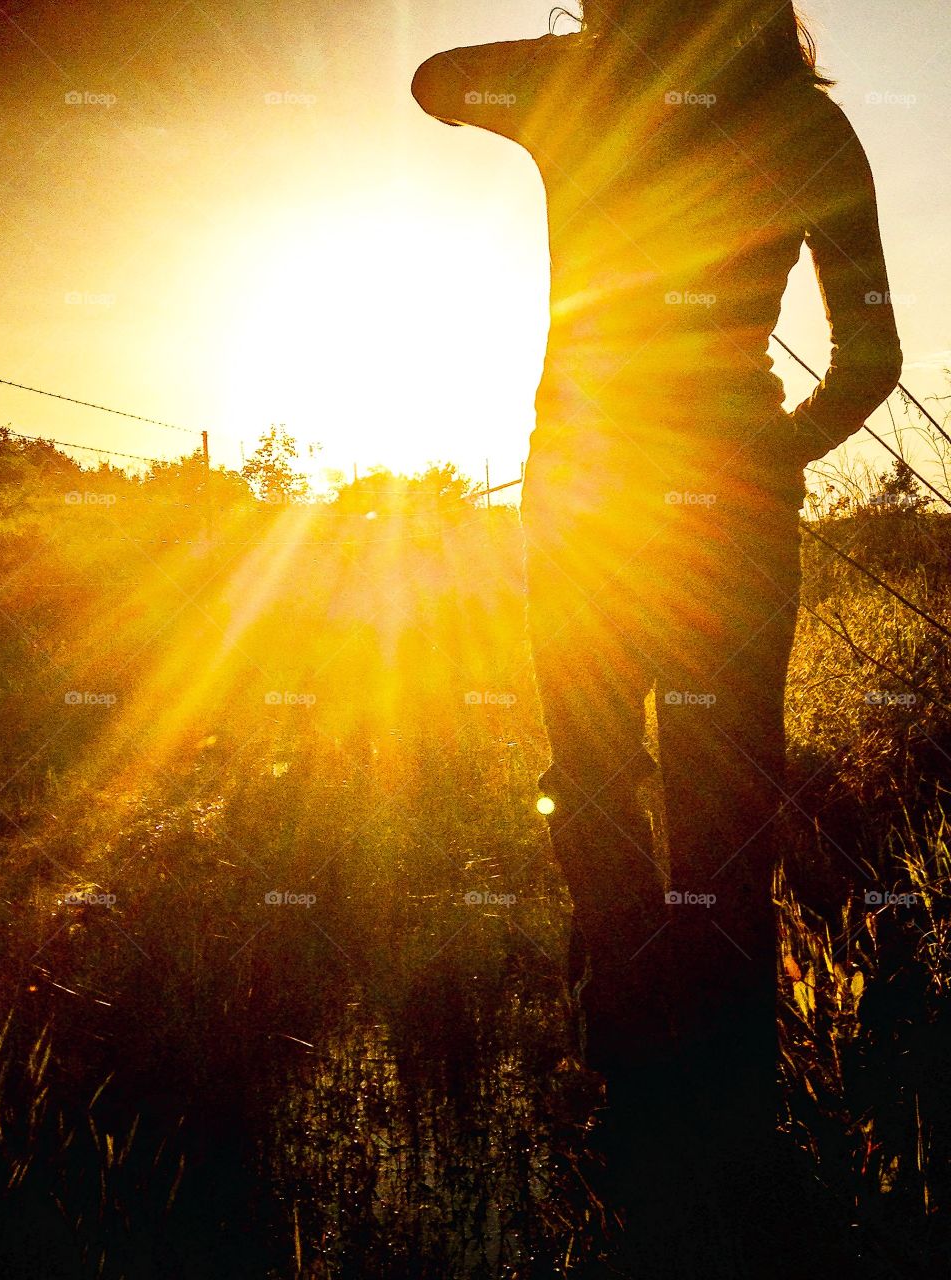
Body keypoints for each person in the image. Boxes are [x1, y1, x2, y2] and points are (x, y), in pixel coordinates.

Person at [412, 2, 901, 1263]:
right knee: (726, 796)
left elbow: (432, 81)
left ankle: (636, 1076)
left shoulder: (572, 90)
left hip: (584, 491)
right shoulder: (808, 125)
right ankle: (729, 1110)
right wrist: (773, 455)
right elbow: (872, 354)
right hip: (729, 498)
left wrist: (581, 56)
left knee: (589, 778)